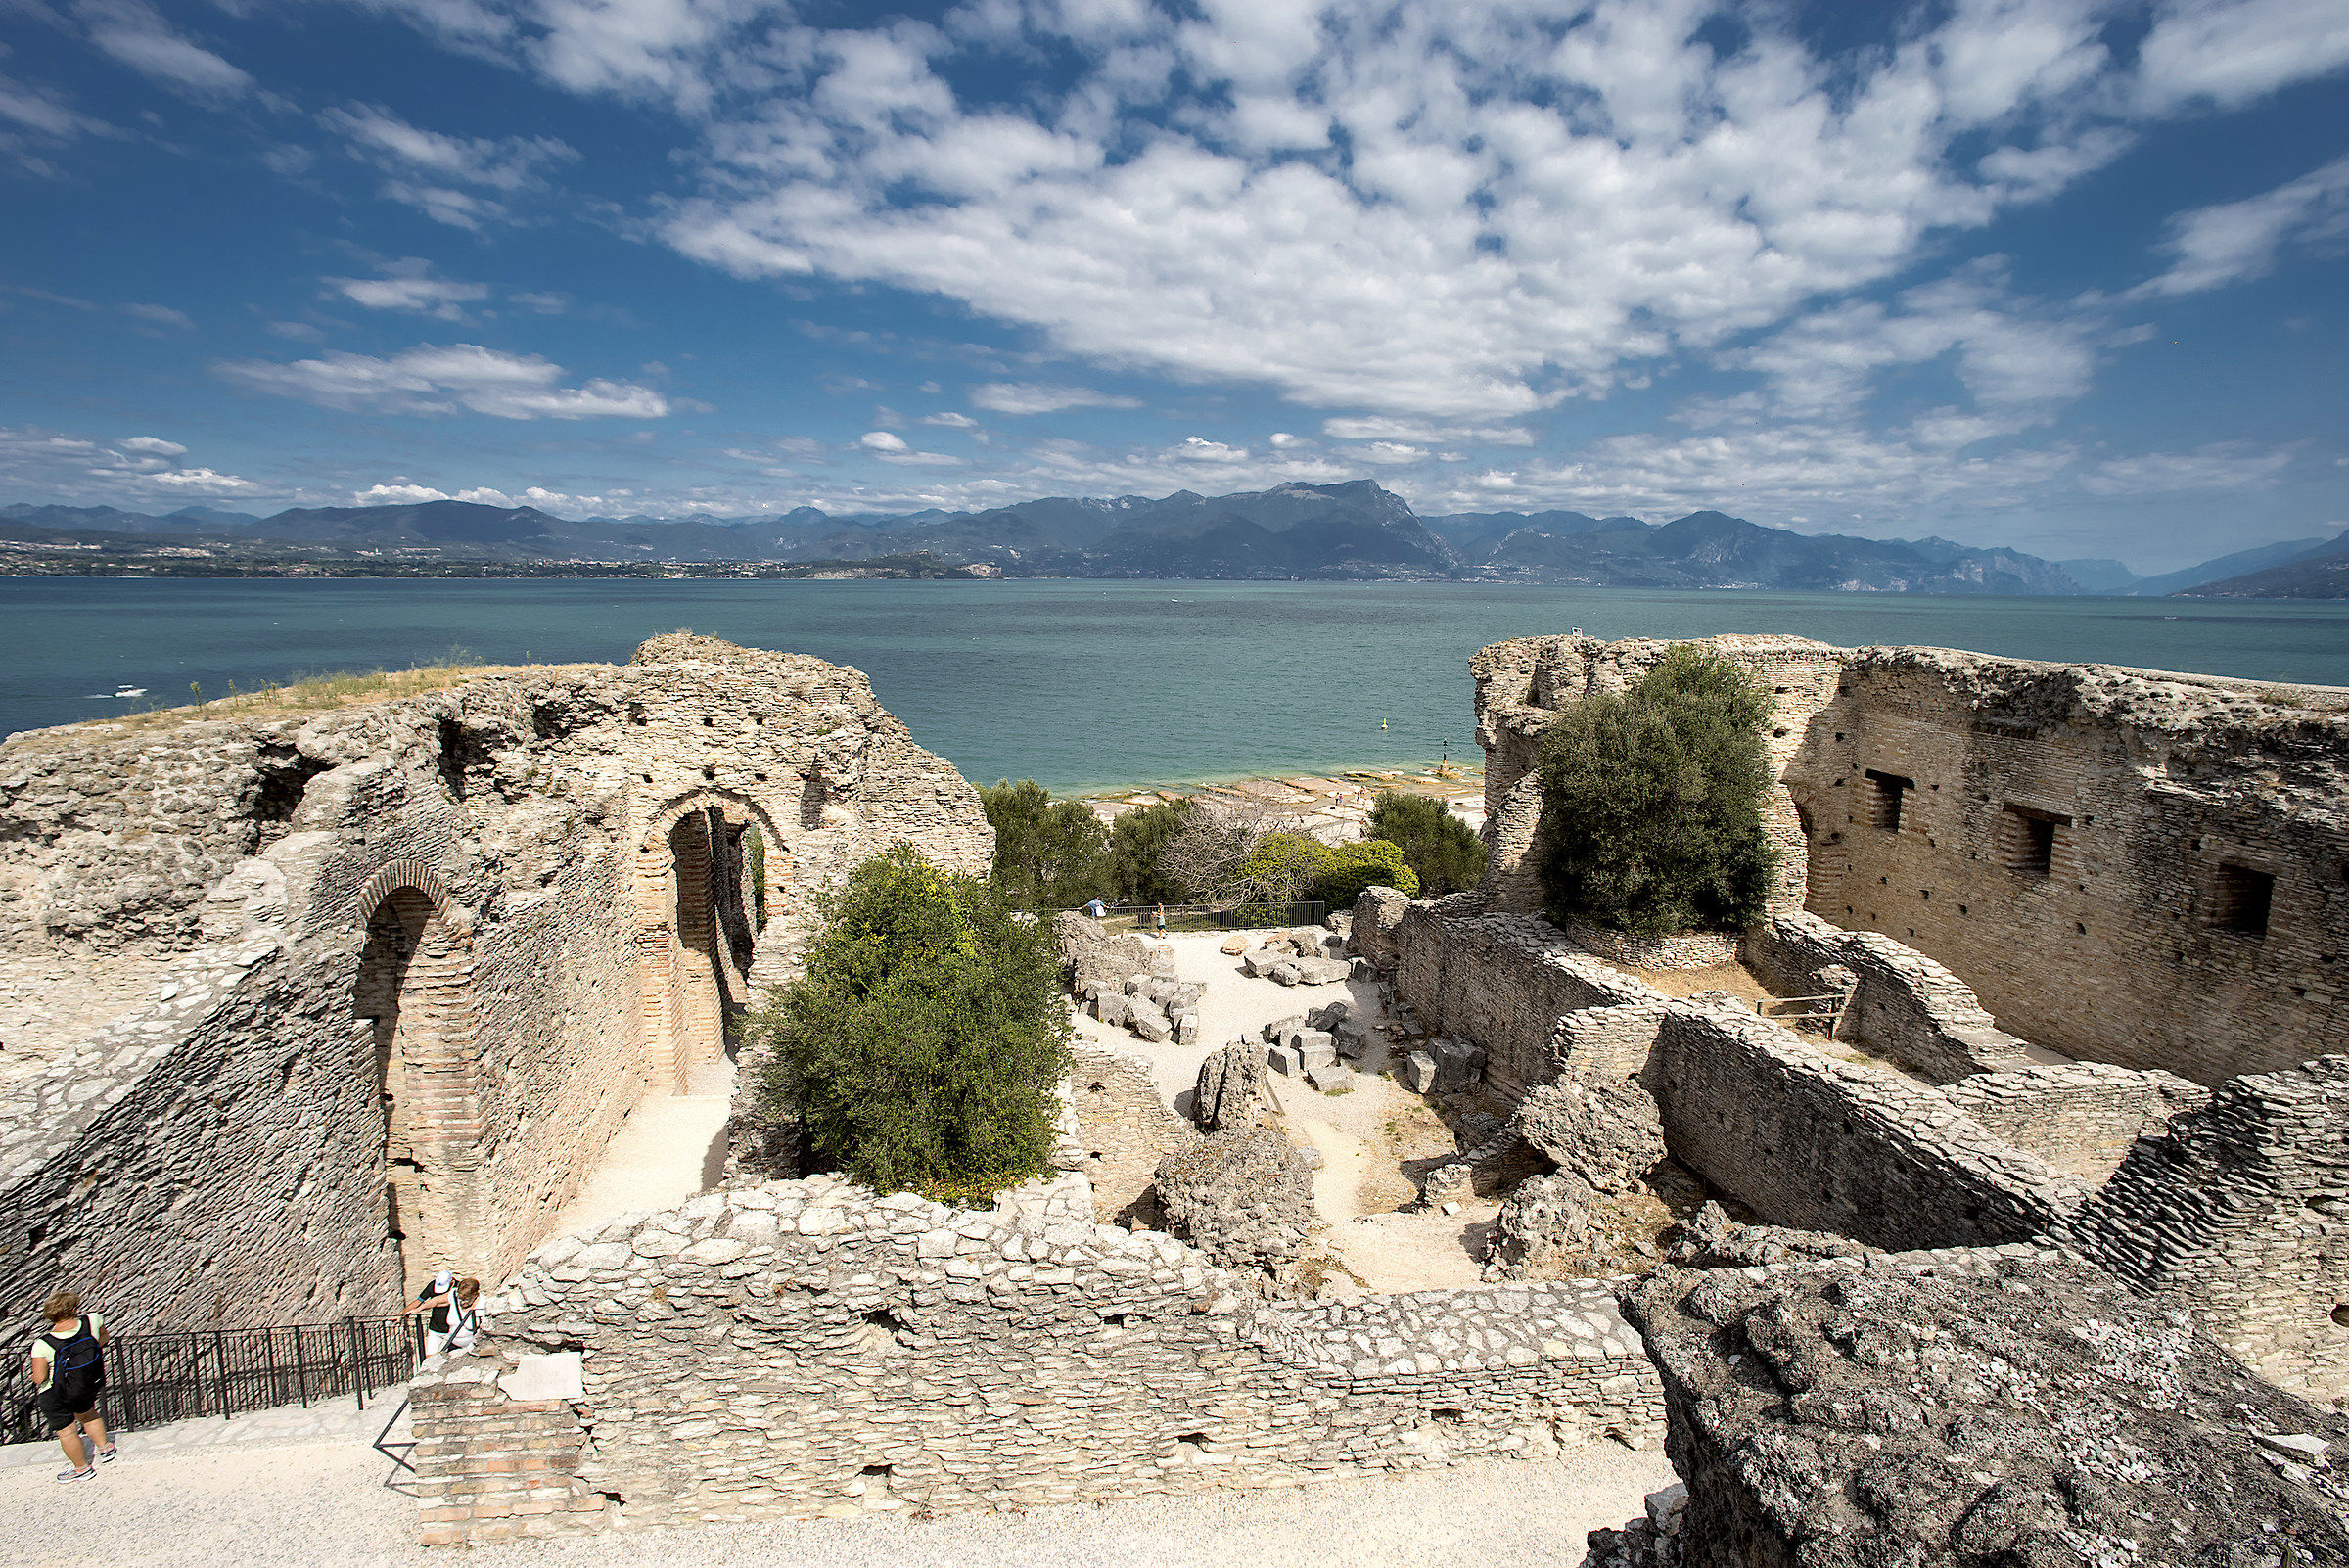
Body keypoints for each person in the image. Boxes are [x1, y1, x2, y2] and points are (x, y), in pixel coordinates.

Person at [30, 1290, 114, 1483]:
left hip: (55, 1392)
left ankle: (82, 1469)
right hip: (84, 1384)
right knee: (89, 1414)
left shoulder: (42, 1344)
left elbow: (39, 1378)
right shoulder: (92, 1320)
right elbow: (102, 1339)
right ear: (74, 1309)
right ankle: (105, 1448)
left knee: (67, 1431)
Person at [403, 1268, 457, 1355]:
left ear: (452, 1282)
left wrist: (420, 1308)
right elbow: (419, 1300)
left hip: (453, 1329)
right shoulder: (432, 1285)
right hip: (435, 1328)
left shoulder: (458, 1288)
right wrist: (402, 1314)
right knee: (430, 1355)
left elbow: (441, 1301)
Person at [444, 1279, 484, 1356]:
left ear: (475, 1295)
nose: (462, 1302)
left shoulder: (483, 1304)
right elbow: (438, 1301)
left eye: (466, 1300)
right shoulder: (453, 1296)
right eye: (460, 1299)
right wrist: (420, 1307)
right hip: (453, 1344)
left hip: (472, 1349)